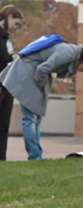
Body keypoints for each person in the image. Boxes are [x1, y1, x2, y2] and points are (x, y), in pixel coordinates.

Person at [0, 42, 83, 160]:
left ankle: (36, 154)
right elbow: (43, 68)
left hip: (30, 72)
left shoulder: (70, 52)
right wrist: (40, 86)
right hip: (29, 73)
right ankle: (34, 156)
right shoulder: (68, 53)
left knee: (34, 119)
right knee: (30, 119)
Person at [0, 5, 22, 161]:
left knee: (4, 124)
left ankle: (2, 158)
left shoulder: (6, 39)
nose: (16, 27)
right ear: (9, 17)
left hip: (7, 85)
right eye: (16, 22)